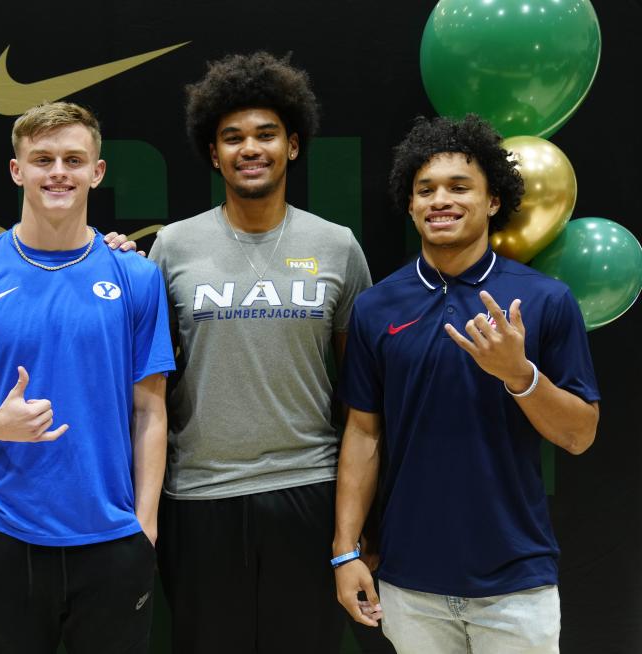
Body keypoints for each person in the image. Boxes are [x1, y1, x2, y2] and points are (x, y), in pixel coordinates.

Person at [333, 115, 600, 653]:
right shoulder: (375, 306)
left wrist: (519, 376)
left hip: (516, 585)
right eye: (425, 190)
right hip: (410, 584)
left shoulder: (545, 300)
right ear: (409, 205)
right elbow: (363, 434)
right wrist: (345, 551)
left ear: (493, 200)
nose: (440, 201)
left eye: (459, 187)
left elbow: (580, 435)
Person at [0, 101, 173, 654]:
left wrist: (145, 527)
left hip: (113, 539)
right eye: (42, 159)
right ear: (17, 171)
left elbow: (151, 410)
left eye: (72, 159)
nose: (58, 172)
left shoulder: (134, 275)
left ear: (96, 171)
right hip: (6, 537)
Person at [148, 51, 373, 653]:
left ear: (292, 146)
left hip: (308, 490)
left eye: (266, 134)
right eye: (233, 137)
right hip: (198, 495)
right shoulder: (173, 246)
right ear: (214, 153)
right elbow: (147, 382)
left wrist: (355, 529)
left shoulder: (337, 246)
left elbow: (364, 396)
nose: (251, 148)